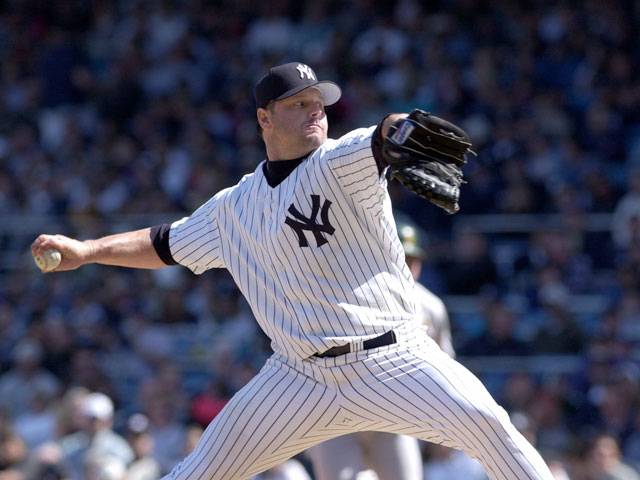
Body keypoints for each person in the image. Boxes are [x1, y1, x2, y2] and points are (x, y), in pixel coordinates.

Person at [32, 61, 554, 480]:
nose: (315, 112)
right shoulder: (232, 207)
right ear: (265, 118)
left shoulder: (337, 161)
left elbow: (380, 138)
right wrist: (87, 249)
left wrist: (401, 128)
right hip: (298, 377)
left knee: (493, 430)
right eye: (298, 104)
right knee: (199, 471)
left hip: (395, 359)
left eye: (319, 103)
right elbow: (163, 243)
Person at [308, 219, 453, 480]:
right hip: (338, 418)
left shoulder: (431, 306)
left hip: (394, 419)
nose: (407, 266)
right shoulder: (350, 294)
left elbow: (445, 369)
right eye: (400, 256)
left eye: (412, 259)